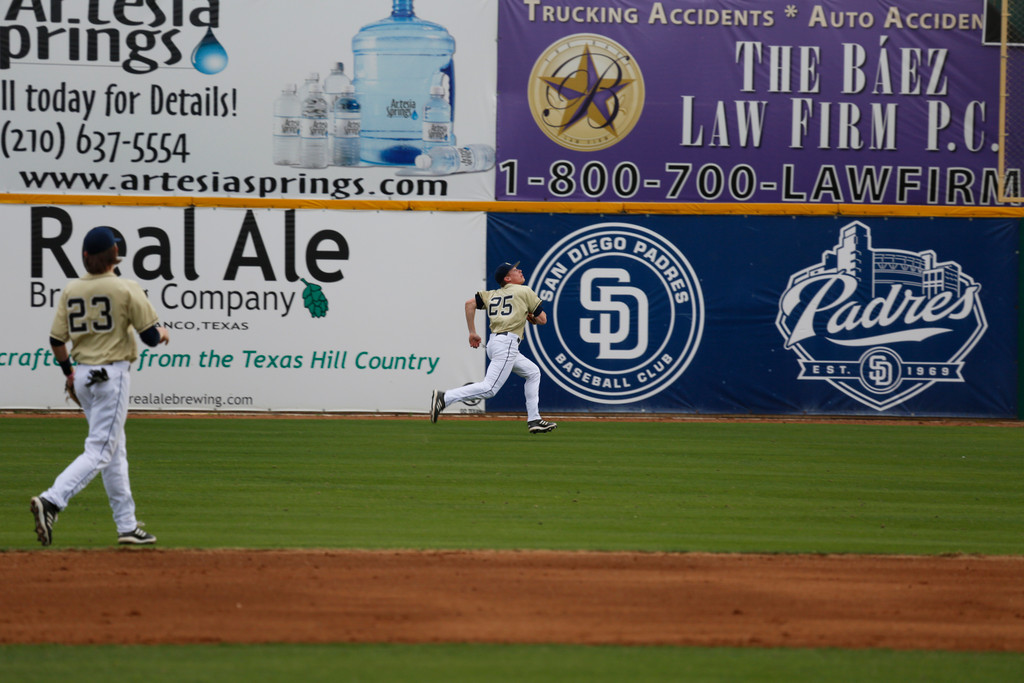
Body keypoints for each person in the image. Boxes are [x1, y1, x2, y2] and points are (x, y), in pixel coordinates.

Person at [30, 226, 170, 547]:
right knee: (101, 450)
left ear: (84, 257)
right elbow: (150, 337)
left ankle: (127, 525)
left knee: (114, 451)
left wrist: (68, 374)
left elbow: (56, 340)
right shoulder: (125, 287)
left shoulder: (71, 289)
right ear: (115, 258)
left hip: (82, 377)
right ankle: (52, 500)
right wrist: (163, 333)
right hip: (111, 377)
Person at [430, 261, 557, 434]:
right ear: (507, 278)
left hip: (495, 343)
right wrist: (531, 316)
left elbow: (469, 304)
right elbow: (542, 319)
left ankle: (534, 419)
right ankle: (445, 397)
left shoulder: (492, 294)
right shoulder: (524, 290)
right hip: (507, 344)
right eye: (515, 270)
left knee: (533, 372)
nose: (520, 270)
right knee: (489, 388)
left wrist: (472, 332)